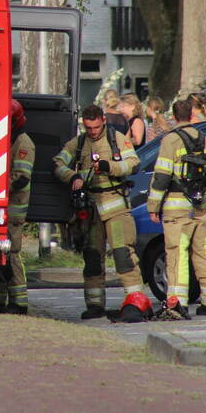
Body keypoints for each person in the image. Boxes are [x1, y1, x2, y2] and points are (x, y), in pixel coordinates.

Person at [54, 104, 145, 319]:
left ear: (103, 120)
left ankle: (136, 301)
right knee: (92, 257)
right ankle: (95, 305)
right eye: (88, 128)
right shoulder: (79, 143)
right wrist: (73, 176)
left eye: (96, 127)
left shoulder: (117, 138)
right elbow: (58, 163)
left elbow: (133, 163)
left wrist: (110, 167)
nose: (93, 132)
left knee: (123, 254)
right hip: (90, 209)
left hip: (115, 205)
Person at [146, 99, 206, 319]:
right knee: (205, 254)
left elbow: (162, 175)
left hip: (176, 208)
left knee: (177, 255)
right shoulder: (205, 140)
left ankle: (177, 304)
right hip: (202, 208)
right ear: (191, 115)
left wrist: (153, 205)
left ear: (174, 115)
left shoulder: (170, 140)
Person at [5, 100, 34, 315]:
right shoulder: (10, 139)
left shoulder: (24, 144)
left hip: (14, 208)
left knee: (12, 253)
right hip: (5, 208)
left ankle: (19, 302)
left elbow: (22, 178)